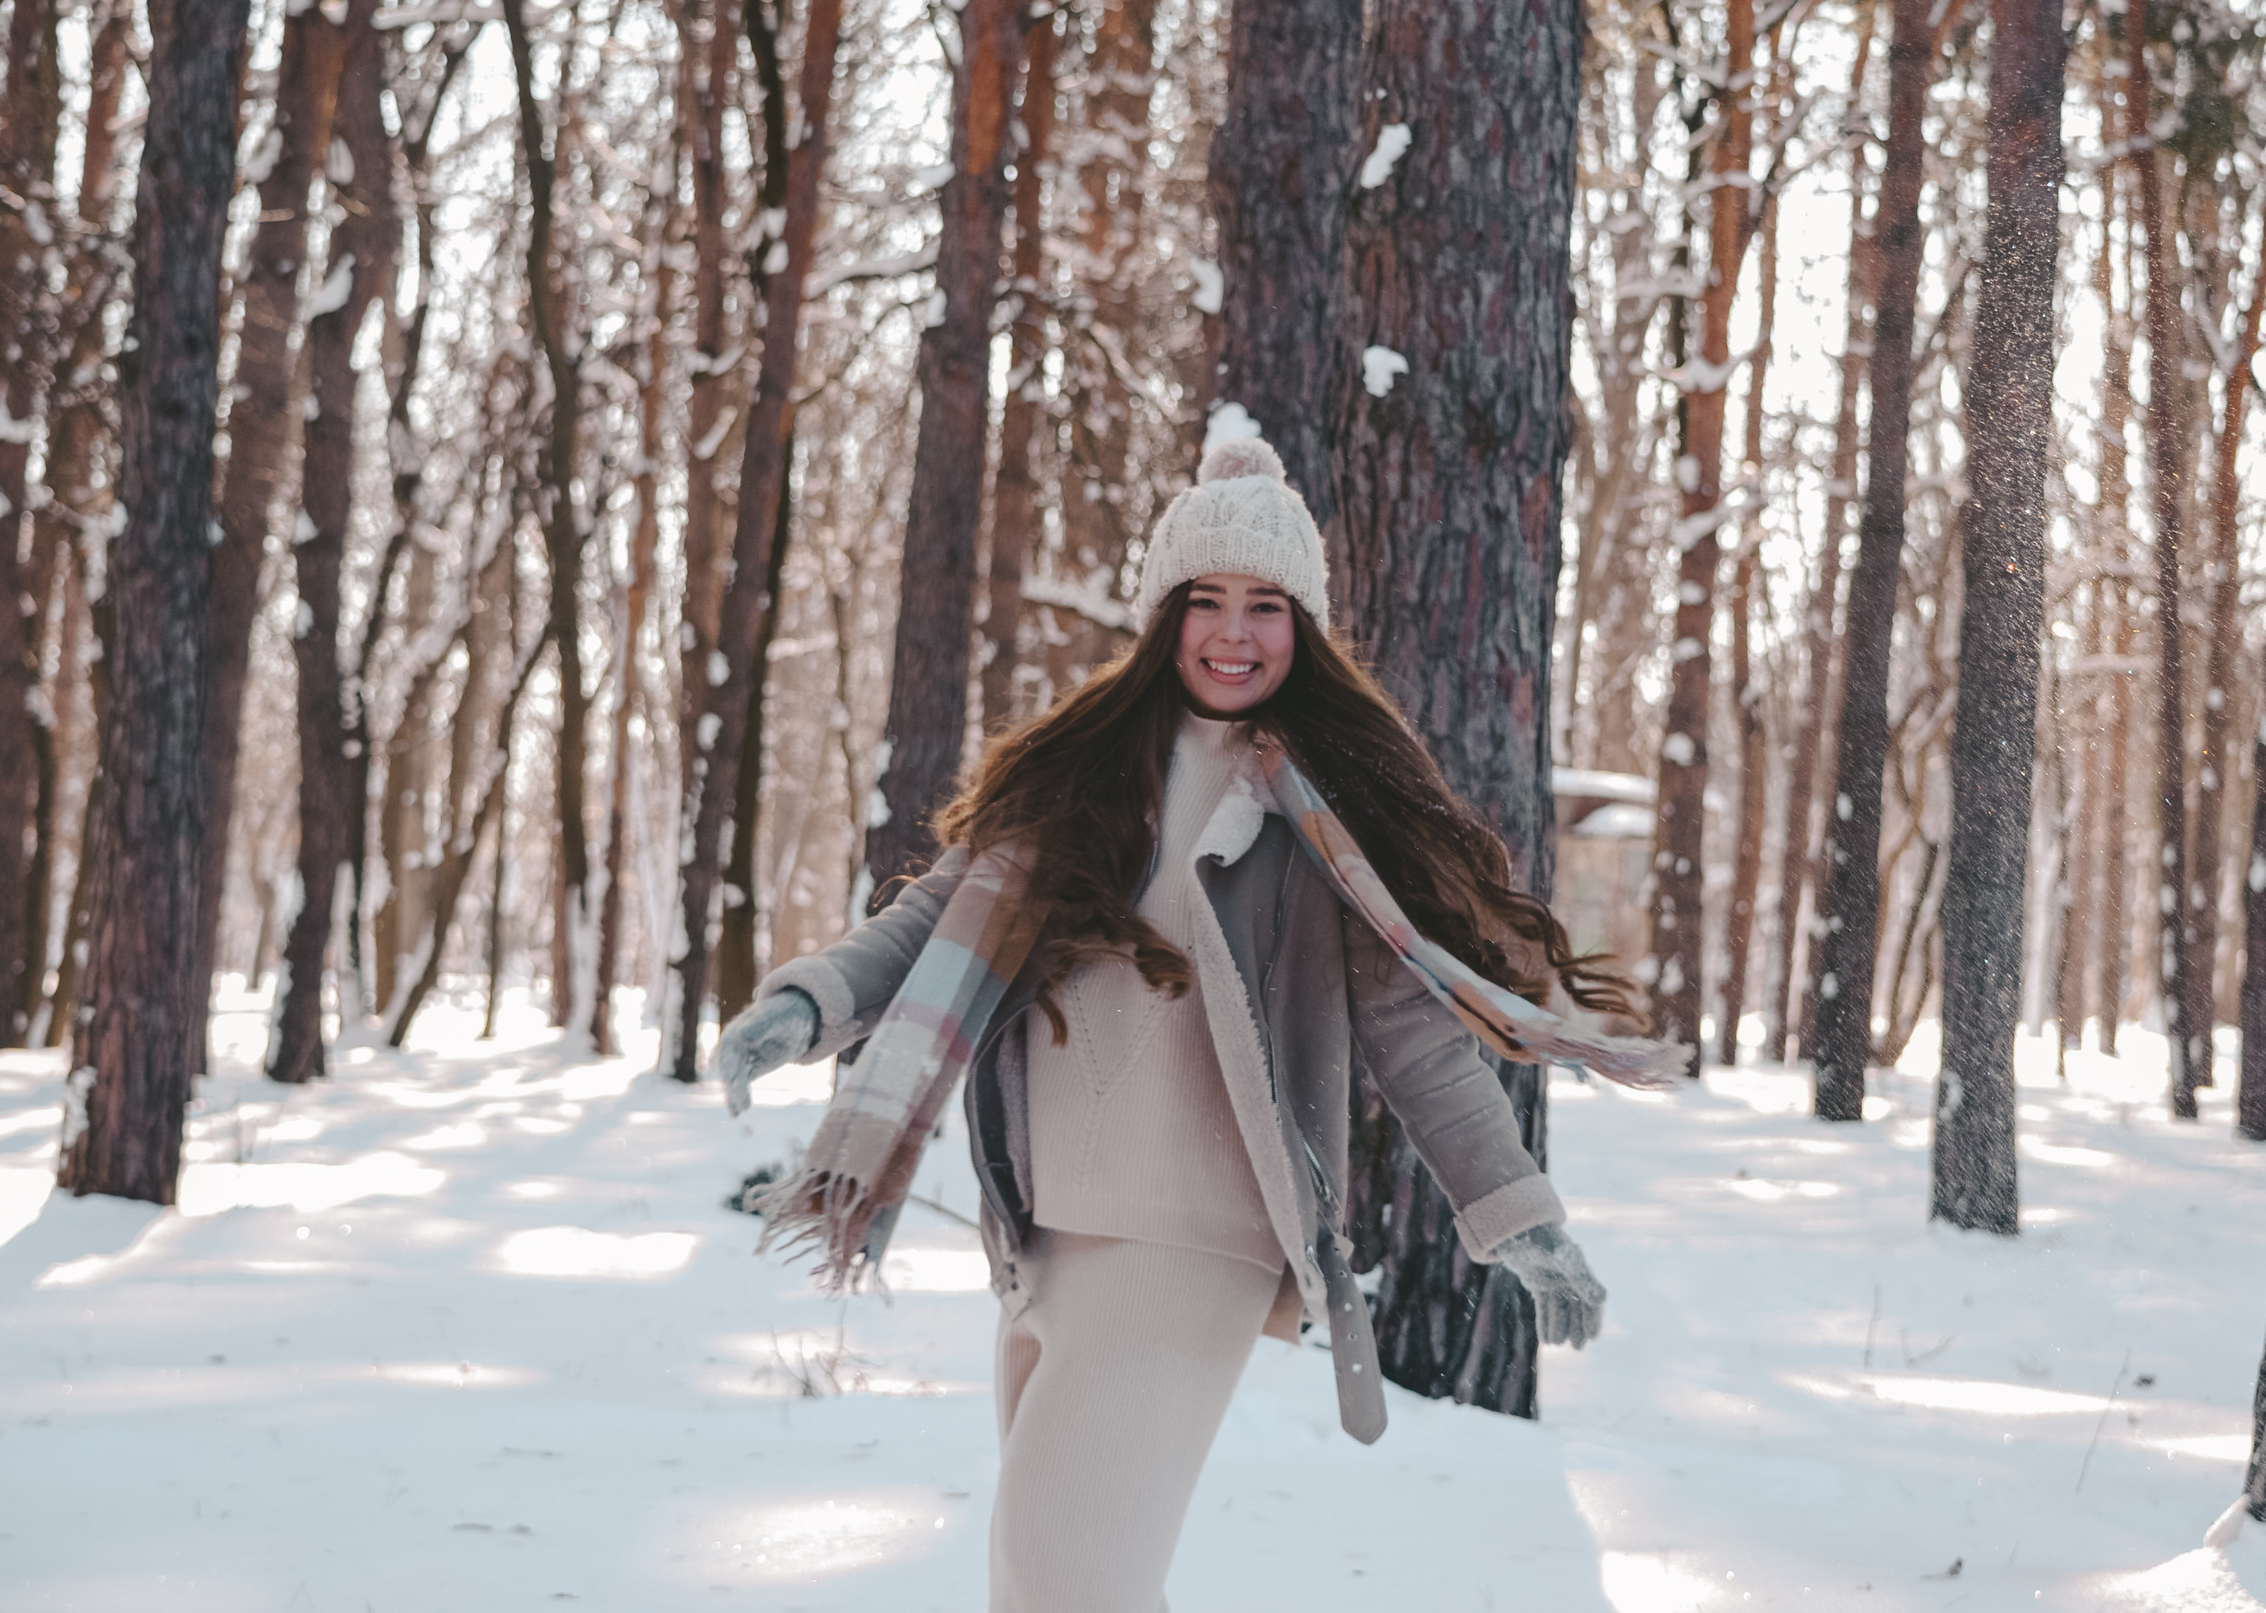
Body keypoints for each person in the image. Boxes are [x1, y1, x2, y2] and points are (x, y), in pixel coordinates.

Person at [715, 436, 1676, 1613]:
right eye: (1205, 602)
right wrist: (805, 1005)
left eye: (1264, 606)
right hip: (1048, 1231)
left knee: (1066, 1585)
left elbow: (1416, 1039)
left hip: (1197, 1239)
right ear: (1162, 617)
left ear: (1303, 627)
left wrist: (1518, 1215)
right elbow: (929, 922)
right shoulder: (1080, 778)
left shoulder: (1322, 816)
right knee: (1058, 1587)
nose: (1233, 632)